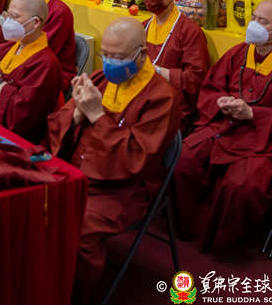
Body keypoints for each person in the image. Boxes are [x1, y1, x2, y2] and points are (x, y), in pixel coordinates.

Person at [48, 18, 179, 299]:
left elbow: (136, 158)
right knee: (34, 202)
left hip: (122, 188)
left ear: (141, 55)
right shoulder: (100, 79)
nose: (109, 63)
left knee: (78, 231)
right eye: (104, 54)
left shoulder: (162, 97)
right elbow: (58, 122)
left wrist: (97, 116)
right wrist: (76, 115)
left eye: (117, 57)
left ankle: (72, 294)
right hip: (76, 166)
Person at [174, 0, 272, 253]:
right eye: (253, 18)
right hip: (223, 126)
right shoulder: (237, 53)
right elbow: (211, 87)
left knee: (240, 185)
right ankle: (185, 227)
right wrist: (221, 102)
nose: (254, 25)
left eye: (263, 21)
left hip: (265, 140)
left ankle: (219, 242)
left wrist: (252, 113)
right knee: (183, 159)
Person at [0, 0, 64, 143]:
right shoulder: (5, 48)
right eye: (8, 15)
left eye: (15, 17)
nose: (8, 22)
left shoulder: (46, 65)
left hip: (5, 137)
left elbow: (23, 116)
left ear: (35, 22)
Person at [140, 0, 210, 133]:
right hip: (141, 98)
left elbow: (195, 79)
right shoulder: (143, 27)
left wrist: (158, 71)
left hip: (171, 106)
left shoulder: (189, 31)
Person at [17, 0, 77, 84]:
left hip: (50, 72)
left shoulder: (58, 11)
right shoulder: (26, 5)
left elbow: (44, 48)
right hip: (25, 61)